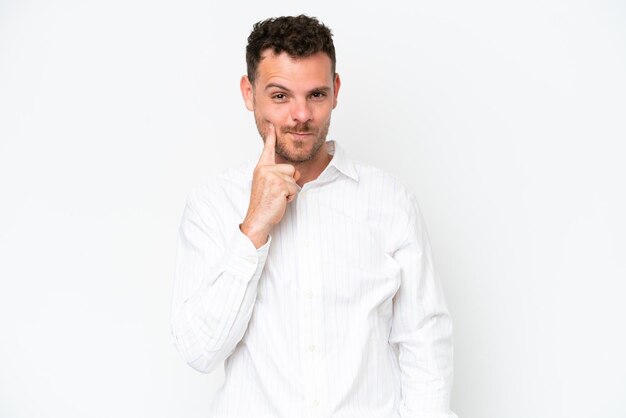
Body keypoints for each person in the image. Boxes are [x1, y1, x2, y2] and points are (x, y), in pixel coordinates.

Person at [170, 15, 457, 418]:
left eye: (316, 95)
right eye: (281, 96)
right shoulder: (211, 205)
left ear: (336, 91)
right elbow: (200, 350)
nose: (301, 115)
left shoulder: (390, 202)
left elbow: (425, 347)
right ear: (249, 93)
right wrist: (253, 228)